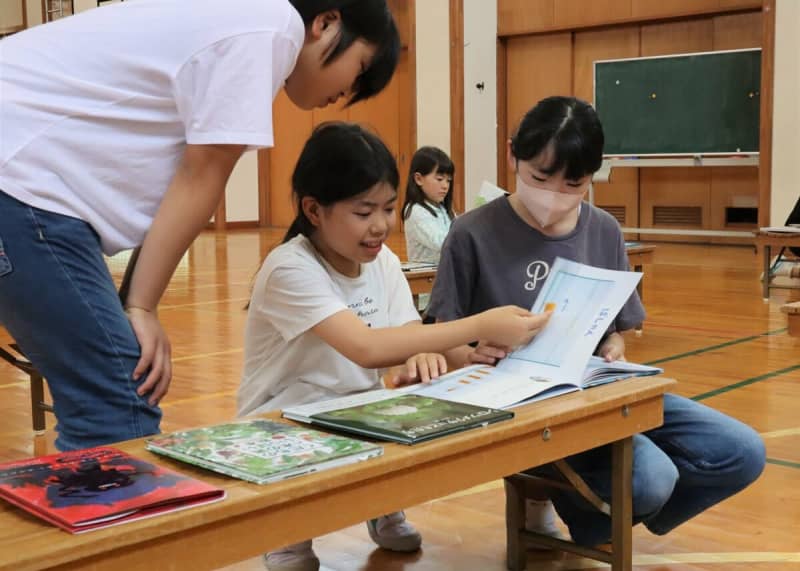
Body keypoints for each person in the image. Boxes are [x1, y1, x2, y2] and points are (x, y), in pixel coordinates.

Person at [0, 0, 400, 451]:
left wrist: (137, 302)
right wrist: (142, 308)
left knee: (116, 394)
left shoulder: (235, 17)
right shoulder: (270, 27)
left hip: (26, 185)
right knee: (117, 405)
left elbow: (179, 188)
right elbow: (201, 174)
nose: (347, 92)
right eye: (359, 68)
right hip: (20, 183)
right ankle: (113, 520)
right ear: (326, 23)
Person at [427, 96, 766, 547]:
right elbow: (441, 331)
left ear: (594, 175)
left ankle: (597, 518)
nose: (555, 196)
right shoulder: (471, 232)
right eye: (540, 178)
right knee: (651, 478)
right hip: (522, 403)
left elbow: (615, 328)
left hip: (594, 391)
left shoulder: (604, 229)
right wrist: (470, 353)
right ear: (512, 155)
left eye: (575, 184)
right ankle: (584, 506)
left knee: (743, 452)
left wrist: (614, 347)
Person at [238, 122, 548, 571]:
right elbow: (367, 347)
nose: (381, 226)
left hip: (354, 409)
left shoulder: (382, 261)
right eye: (364, 213)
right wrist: (477, 324)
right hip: (279, 421)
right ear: (314, 209)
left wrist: (461, 354)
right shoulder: (290, 268)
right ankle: (286, 530)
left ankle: (382, 502)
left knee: (412, 408)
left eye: (387, 208)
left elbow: (406, 330)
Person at [401, 146, 456, 264]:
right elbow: (443, 243)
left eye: (448, 180)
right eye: (440, 179)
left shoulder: (443, 208)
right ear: (418, 179)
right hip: (426, 278)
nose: (445, 186)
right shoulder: (415, 211)